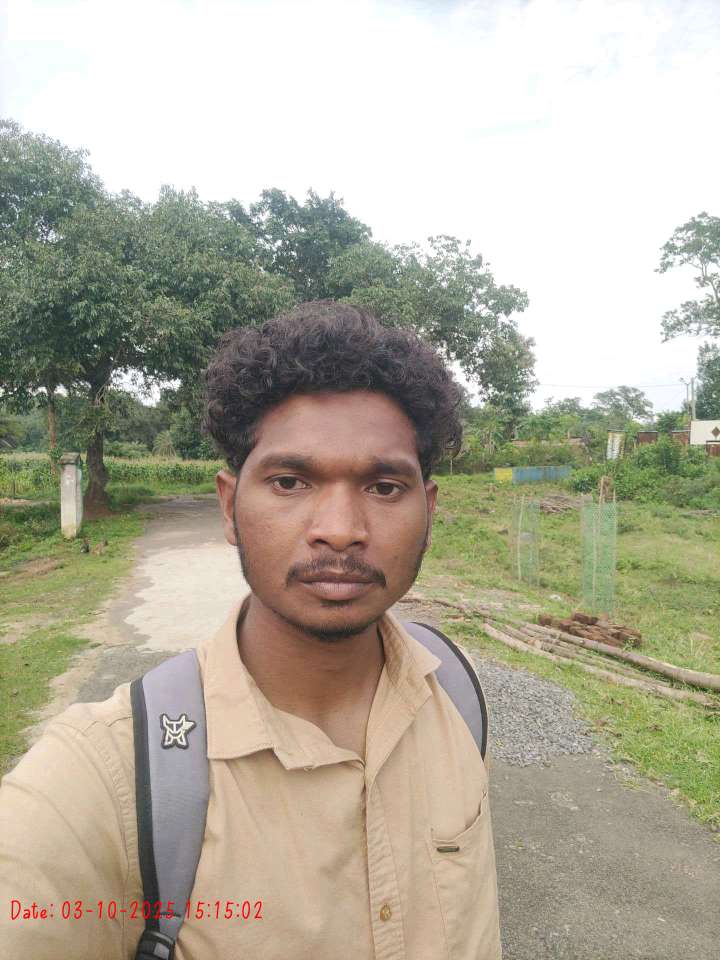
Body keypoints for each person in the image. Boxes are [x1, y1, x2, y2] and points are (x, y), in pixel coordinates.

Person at [0, 299, 502, 959]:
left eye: (384, 487)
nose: (340, 530)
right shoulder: (101, 778)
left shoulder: (458, 694)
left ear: (428, 512)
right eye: (291, 481)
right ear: (229, 507)